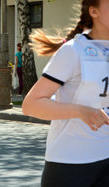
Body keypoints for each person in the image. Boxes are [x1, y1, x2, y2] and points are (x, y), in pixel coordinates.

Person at [22, 0, 109, 186]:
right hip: (71, 163)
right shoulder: (73, 51)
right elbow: (31, 105)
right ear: (94, 11)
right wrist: (81, 111)